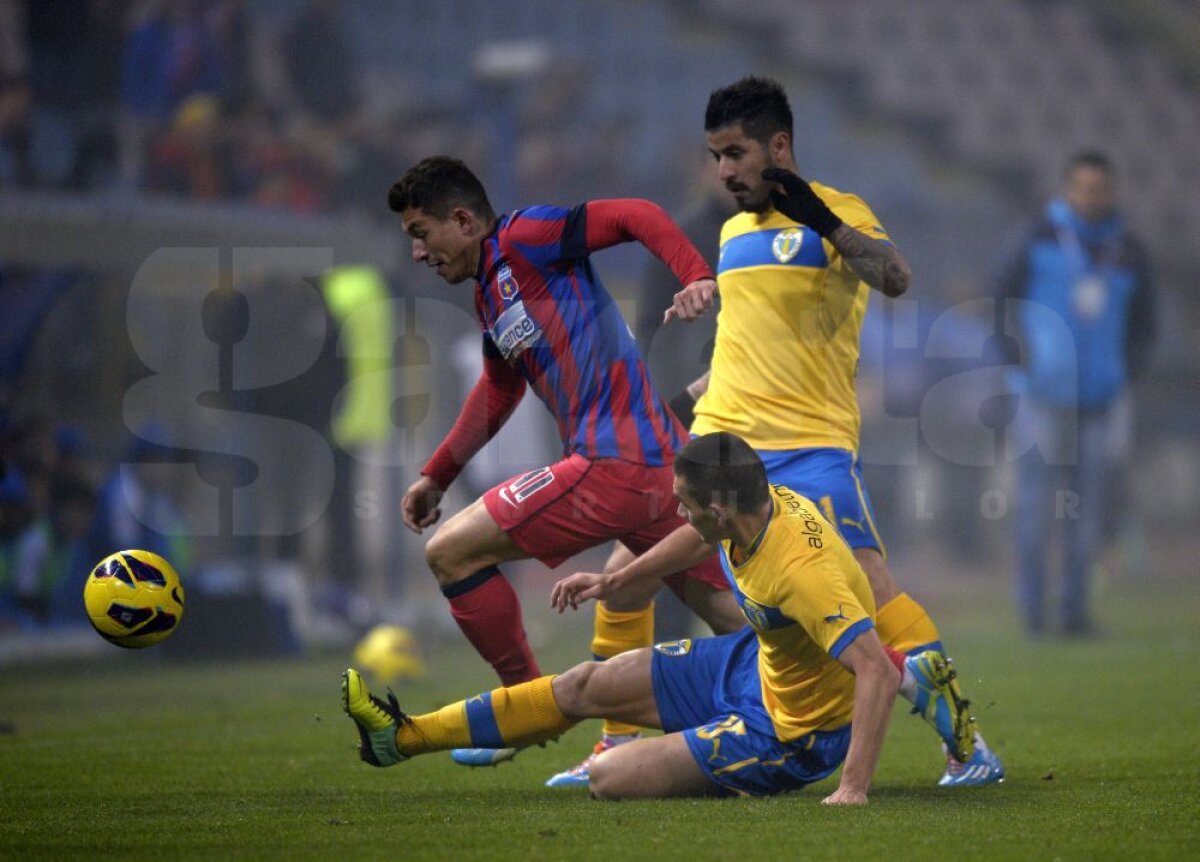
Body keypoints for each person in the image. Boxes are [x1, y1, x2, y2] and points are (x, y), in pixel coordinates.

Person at [567, 76, 1004, 786]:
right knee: (633, 565)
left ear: (779, 146)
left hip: (808, 445)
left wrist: (824, 224)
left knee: (873, 595)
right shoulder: (733, 233)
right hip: (725, 440)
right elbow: (744, 346)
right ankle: (616, 744)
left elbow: (894, 278)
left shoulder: (838, 213)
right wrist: (680, 406)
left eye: (735, 152)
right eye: (714, 156)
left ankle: (967, 747)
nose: (724, 171)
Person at [341, 432, 974, 802]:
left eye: (684, 502)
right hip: (752, 665)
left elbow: (872, 673)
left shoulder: (801, 571)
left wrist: (853, 790)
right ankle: (402, 738)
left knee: (607, 779)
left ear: (720, 507)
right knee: (585, 685)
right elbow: (697, 542)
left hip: (793, 735)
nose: (676, 509)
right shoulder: (751, 509)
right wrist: (615, 579)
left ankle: (918, 674)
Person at [387, 156, 746, 768]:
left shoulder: (527, 238)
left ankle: (526, 709)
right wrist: (437, 472)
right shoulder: (491, 293)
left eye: (422, 234)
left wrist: (694, 274)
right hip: (660, 465)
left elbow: (636, 214)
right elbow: (500, 389)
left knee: (449, 551)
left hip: (613, 463)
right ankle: (817, 695)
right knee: (729, 614)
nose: (419, 253)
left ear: (463, 220)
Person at [996, 150, 1155, 637]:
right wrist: (1019, 363)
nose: (1093, 197)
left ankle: (1074, 612)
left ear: (1112, 191)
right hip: (1042, 395)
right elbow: (999, 299)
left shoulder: (1128, 248)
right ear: (1068, 190)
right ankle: (1033, 614)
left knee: (1088, 514)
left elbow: (1145, 322)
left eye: (1101, 188)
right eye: (1084, 188)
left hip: (1100, 400)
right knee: (1036, 509)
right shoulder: (1037, 237)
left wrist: (1124, 372)